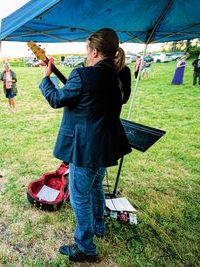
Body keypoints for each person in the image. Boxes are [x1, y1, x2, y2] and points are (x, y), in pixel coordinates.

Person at [39, 28, 131, 262]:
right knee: (97, 187)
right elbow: (94, 101)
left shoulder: (83, 75)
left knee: (79, 195)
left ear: (95, 51)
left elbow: (56, 99)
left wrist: (46, 77)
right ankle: (99, 227)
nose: (87, 56)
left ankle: (85, 248)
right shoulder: (121, 75)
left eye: (88, 51)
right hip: (106, 146)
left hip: (86, 148)